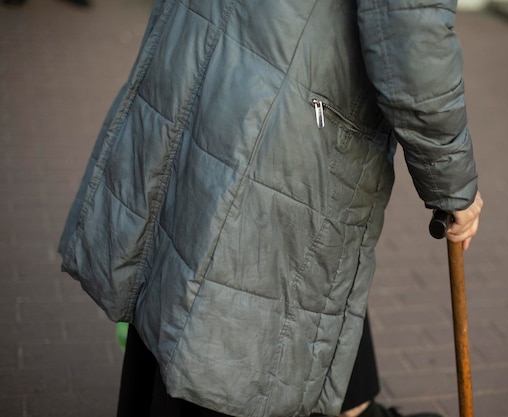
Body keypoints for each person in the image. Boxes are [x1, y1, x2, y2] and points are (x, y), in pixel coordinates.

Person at [59, 1, 482, 416]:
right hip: (281, 111)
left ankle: (357, 407)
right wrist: (452, 183)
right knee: (239, 323)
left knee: (186, 283)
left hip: (204, 61)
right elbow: (410, 34)